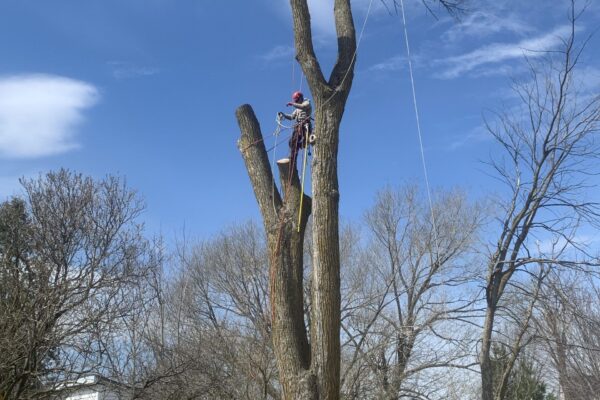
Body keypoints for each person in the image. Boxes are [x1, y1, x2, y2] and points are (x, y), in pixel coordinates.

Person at [278, 91, 312, 164]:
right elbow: (291, 117)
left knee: (296, 141)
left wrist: (292, 104)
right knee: (292, 142)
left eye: (296, 100)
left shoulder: (307, 102)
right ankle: (293, 157)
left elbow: (303, 107)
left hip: (305, 125)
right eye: (295, 100)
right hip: (298, 126)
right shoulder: (297, 109)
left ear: (300, 98)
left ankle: (303, 144)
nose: (295, 101)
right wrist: (284, 115)